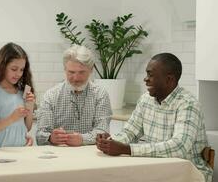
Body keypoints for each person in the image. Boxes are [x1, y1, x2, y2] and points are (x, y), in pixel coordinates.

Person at [96, 53, 213, 182]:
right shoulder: (146, 99)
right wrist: (109, 141)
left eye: (150, 75)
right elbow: (130, 132)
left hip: (188, 173)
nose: (145, 79)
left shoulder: (188, 104)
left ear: (169, 79)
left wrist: (127, 149)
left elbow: (179, 147)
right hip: (155, 168)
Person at [36, 45, 112, 146]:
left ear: (91, 69)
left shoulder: (100, 94)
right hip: (58, 157)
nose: (76, 78)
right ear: (64, 69)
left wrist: (82, 139)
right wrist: (50, 138)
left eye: (81, 72)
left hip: (90, 156)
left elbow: (103, 132)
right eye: (71, 72)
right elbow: (40, 135)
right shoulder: (51, 96)